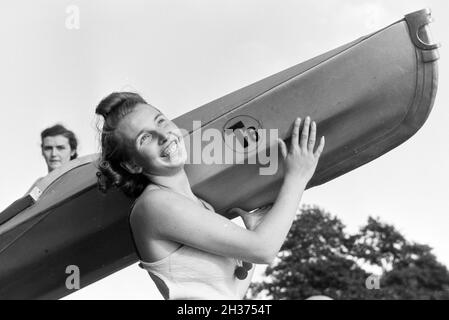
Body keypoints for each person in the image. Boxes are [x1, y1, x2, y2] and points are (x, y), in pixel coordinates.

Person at [95, 92, 325, 300]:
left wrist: (252, 231)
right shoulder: (153, 205)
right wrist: (297, 176)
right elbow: (264, 250)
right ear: (132, 165)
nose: (163, 136)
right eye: (144, 138)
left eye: (161, 122)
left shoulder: (199, 205)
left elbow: (232, 292)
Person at [26, 124, 78, 194]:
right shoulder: (39, 185)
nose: (54, 154)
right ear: (42, 151)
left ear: (72, 151)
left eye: (60, 148)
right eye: (48, 148)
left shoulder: (82, 180)